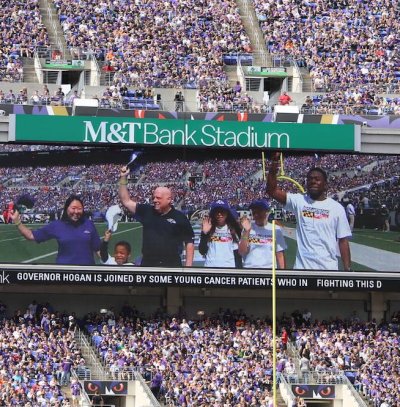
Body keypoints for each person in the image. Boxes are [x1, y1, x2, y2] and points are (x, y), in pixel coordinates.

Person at [267, 152, 352, 270]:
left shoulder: (337, 208)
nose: (313, 181)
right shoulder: (299, 201)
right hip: (302, 270)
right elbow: (272, 191)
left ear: (326, 185)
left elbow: (343, 241)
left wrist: (347, 269)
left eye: (317, 179)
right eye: (310, 179)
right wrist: (274, 165)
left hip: (328, 269)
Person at [118, 167, 194, 267]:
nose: (154, 200)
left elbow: (189, 242)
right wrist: (123, 177)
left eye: (158, 198)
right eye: (154, 197)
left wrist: (188, 269)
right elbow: (126, 201)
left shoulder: (180, 218)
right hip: (148, 265)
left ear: (169, 199)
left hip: (171, 266)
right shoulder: (146, 211)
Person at [10, 195, 101, 265]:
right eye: (73, 208)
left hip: (87, 274)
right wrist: (17, 222)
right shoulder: (57, 225)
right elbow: (31, 235)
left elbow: (98, 249)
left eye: (79, 209)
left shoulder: (88, 224)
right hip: (63, 274)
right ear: (66, 209)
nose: (76, 212)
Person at [238, 199, 286, 269]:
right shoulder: (248, 228)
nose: (256, 214)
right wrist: (246, 231)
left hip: (269, 270)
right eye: (254, 212)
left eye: (260, 211)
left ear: (267, 212)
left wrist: (283, 275)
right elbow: (241, 251)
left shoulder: (276, 229)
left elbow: (280, 255)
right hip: (249, 269)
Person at [198, 199, 241, 268]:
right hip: (210, 267)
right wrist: (204, 233)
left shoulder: (233, 229)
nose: (219, 214)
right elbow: (202, 251)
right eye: (216, 211)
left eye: (222, 211)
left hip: (229, 268)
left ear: (227, 213)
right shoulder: (208, 227)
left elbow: (237, 254)